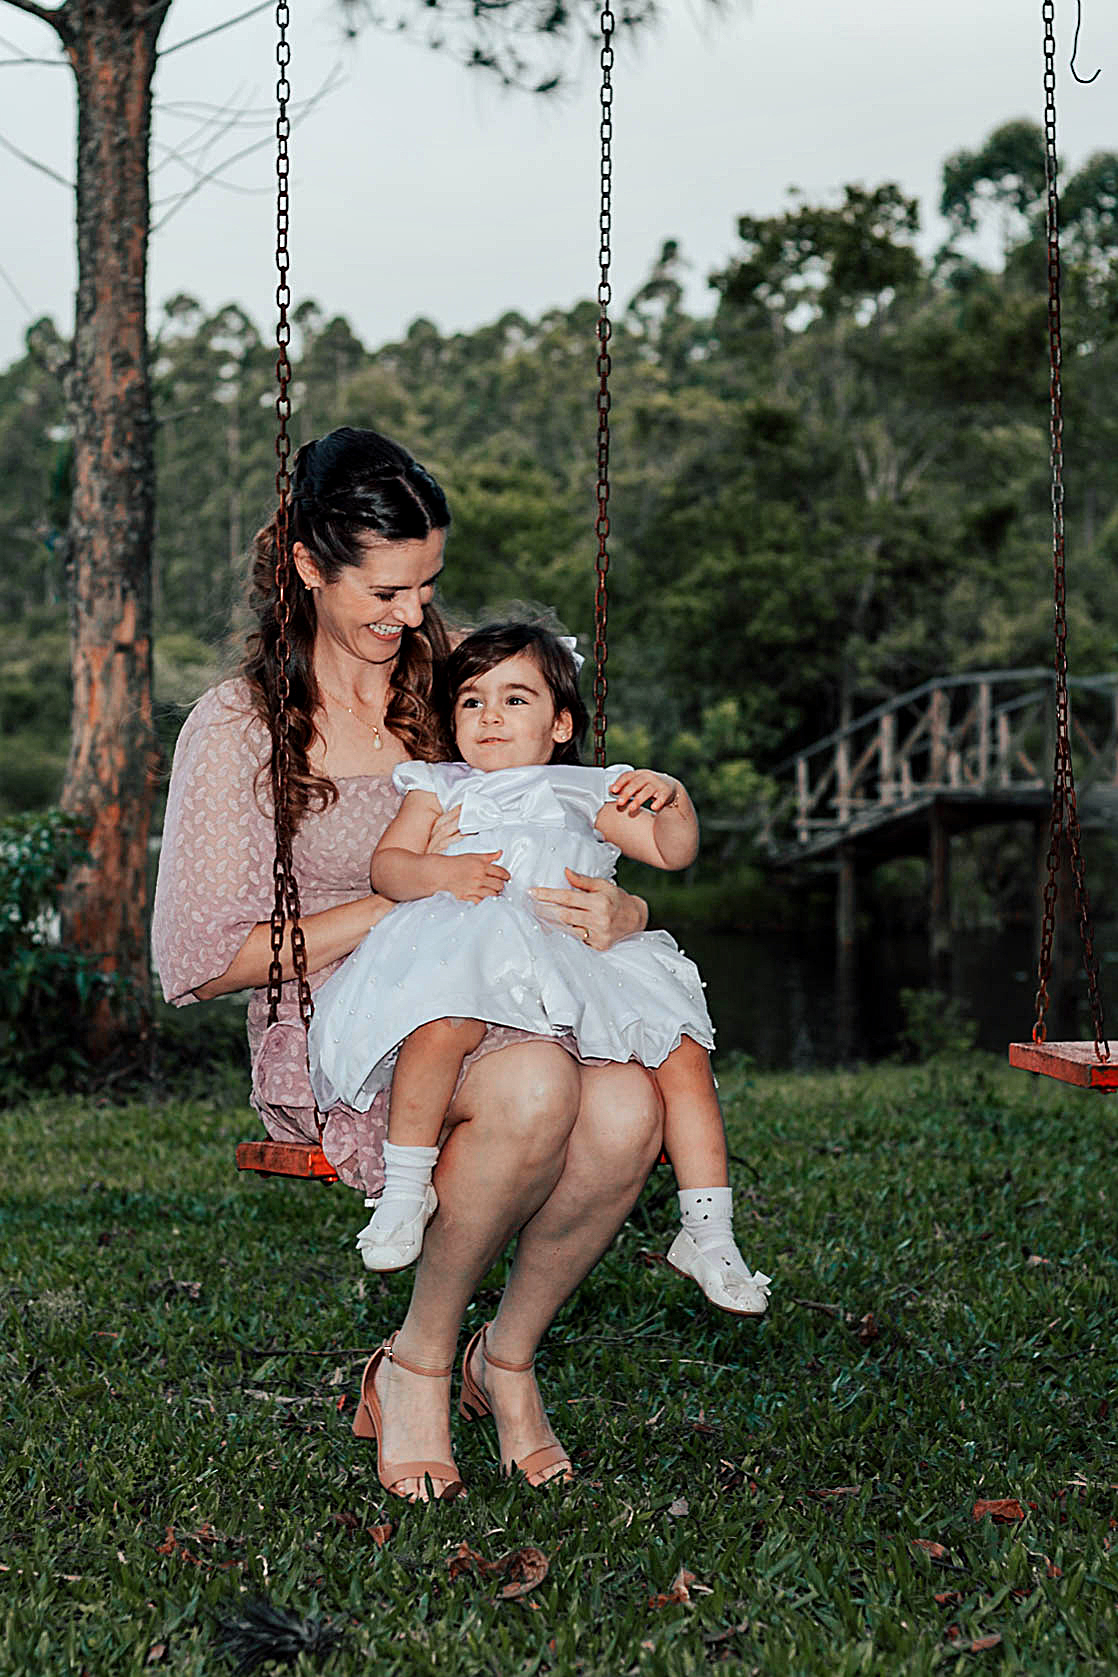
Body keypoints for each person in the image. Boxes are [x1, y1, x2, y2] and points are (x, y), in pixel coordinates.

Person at [151, 426, 662, 1504]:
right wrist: (399, 899)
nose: (412, 613)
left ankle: (504, 1355)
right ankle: (419, 1362)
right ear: (307, 565)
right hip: (347, 1010)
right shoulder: (241, 726)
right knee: (535, 1088)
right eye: (384, 591)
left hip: (513, 972)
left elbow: (575, 815)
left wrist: (623, 905)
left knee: (627, 1112)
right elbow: (202, 959)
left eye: (426, 584)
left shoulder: (466, 675)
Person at [309, 621, 771, 1318]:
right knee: (442, 1021)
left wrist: (675, 799)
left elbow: (670, 851)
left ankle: (708, 1230)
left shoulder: (585, 791)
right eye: (472, 700)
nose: (490, 715)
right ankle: (405, 1189)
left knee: (680, 1050)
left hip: (572, 950)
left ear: (561, 725)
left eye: (515, 699)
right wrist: (440, 873)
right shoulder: (440, 786)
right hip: (469, 938)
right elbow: (389, 866)